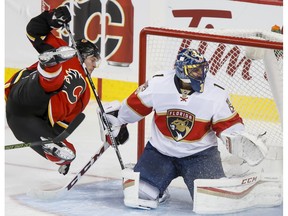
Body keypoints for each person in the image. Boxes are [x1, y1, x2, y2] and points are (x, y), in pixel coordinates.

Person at [104, 48, 267, 209]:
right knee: (139, 195)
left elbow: (229, 124)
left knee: (211, 201)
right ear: (182, 71)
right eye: (195, 70)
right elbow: (134, 107)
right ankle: (159, 184)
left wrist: (238, 139)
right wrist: (117, 120)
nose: (201, 74)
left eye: (202, 69)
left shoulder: (215, 92)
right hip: (161, 153)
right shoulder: (158, 83)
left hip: (200, 156)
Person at [5, 5, 101, 175]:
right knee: (52, 84)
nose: (94, 65)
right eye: (93, 59)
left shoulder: (85, 94)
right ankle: (49, 64)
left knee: (69, 153)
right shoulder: (67, 52)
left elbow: (62, 124)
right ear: (83, 55)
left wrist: (59, 148)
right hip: (23, 98)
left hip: (27, 122)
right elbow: (34, 30)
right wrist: (52, 18)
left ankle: (56, 152)